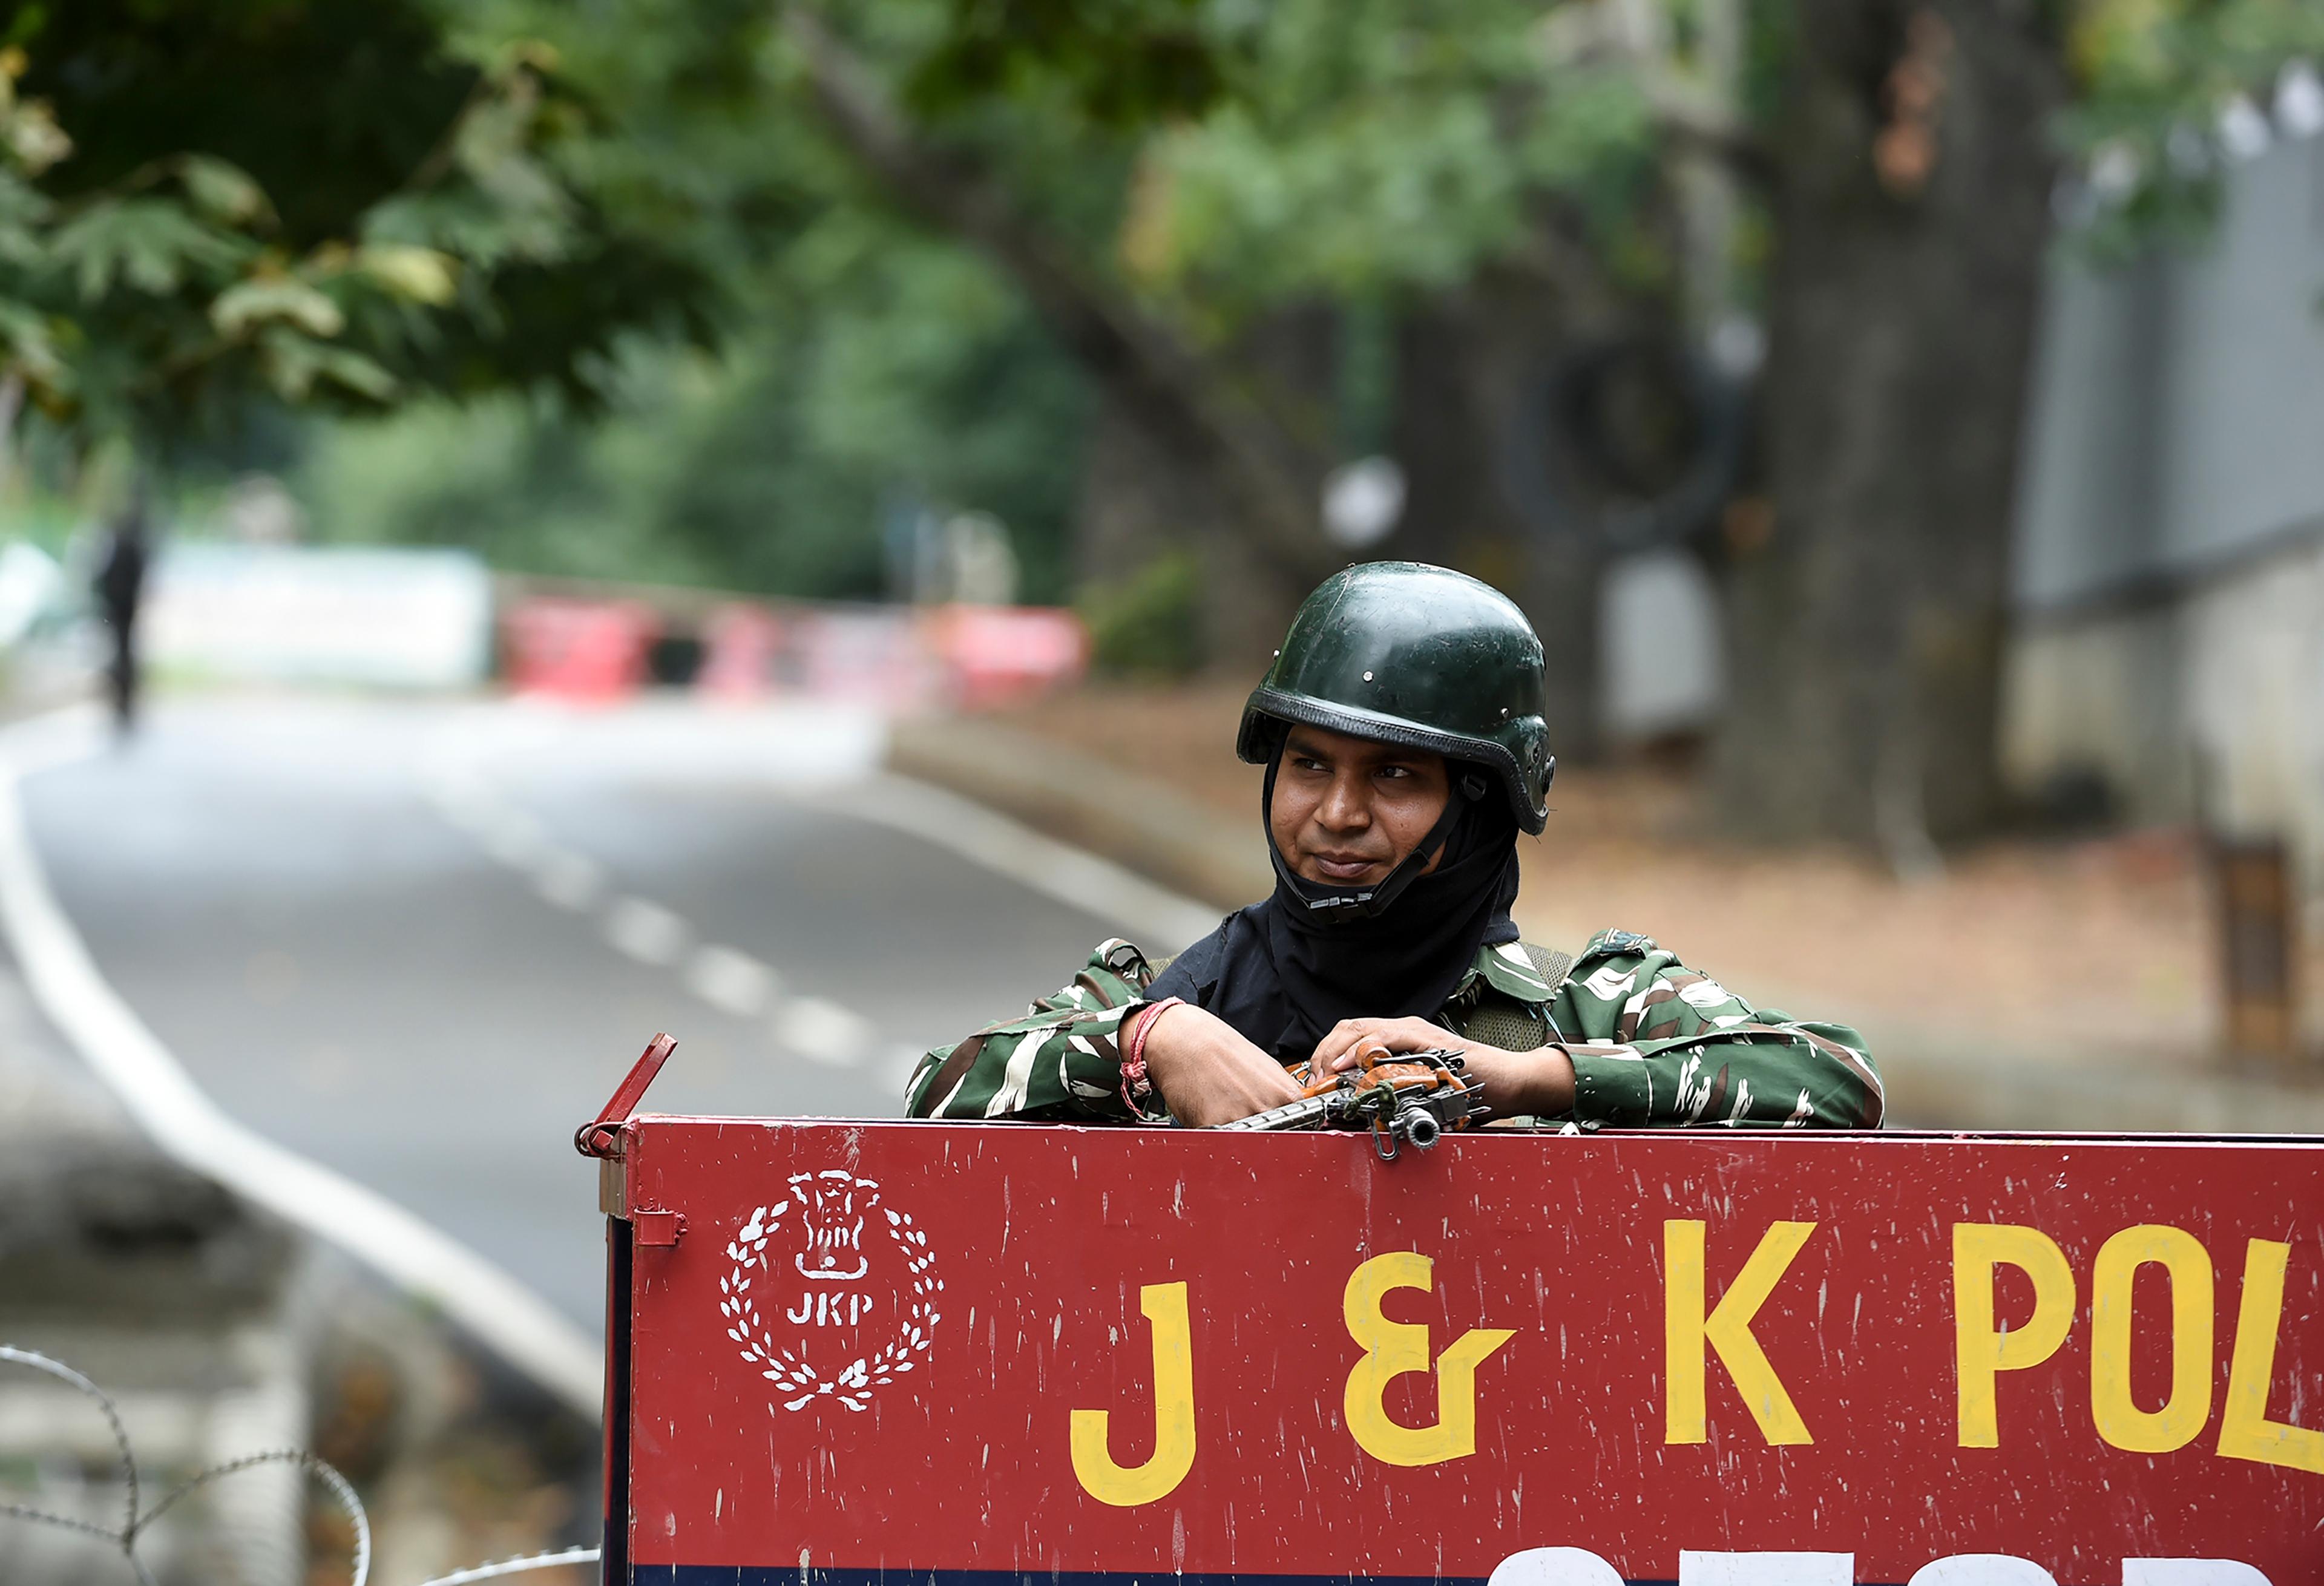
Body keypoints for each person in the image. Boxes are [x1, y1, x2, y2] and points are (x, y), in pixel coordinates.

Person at [904, 562, 1881, 1131]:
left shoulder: (1594, 1003)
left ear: (1483, 805)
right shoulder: (1180, 998)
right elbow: (935, 1096)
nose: (1337, 812)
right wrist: (1147, 1042)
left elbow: (1837, 1080)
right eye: (1309, 765)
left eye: (1396, 777)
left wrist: (1524, 1075)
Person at [94, 492, 151, 733]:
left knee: (122, 655)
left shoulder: (122, 547)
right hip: (122, 609)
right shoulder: (132, 547)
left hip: (121, 609)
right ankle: (121, 702)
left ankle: (123, 702)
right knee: (123, 654)